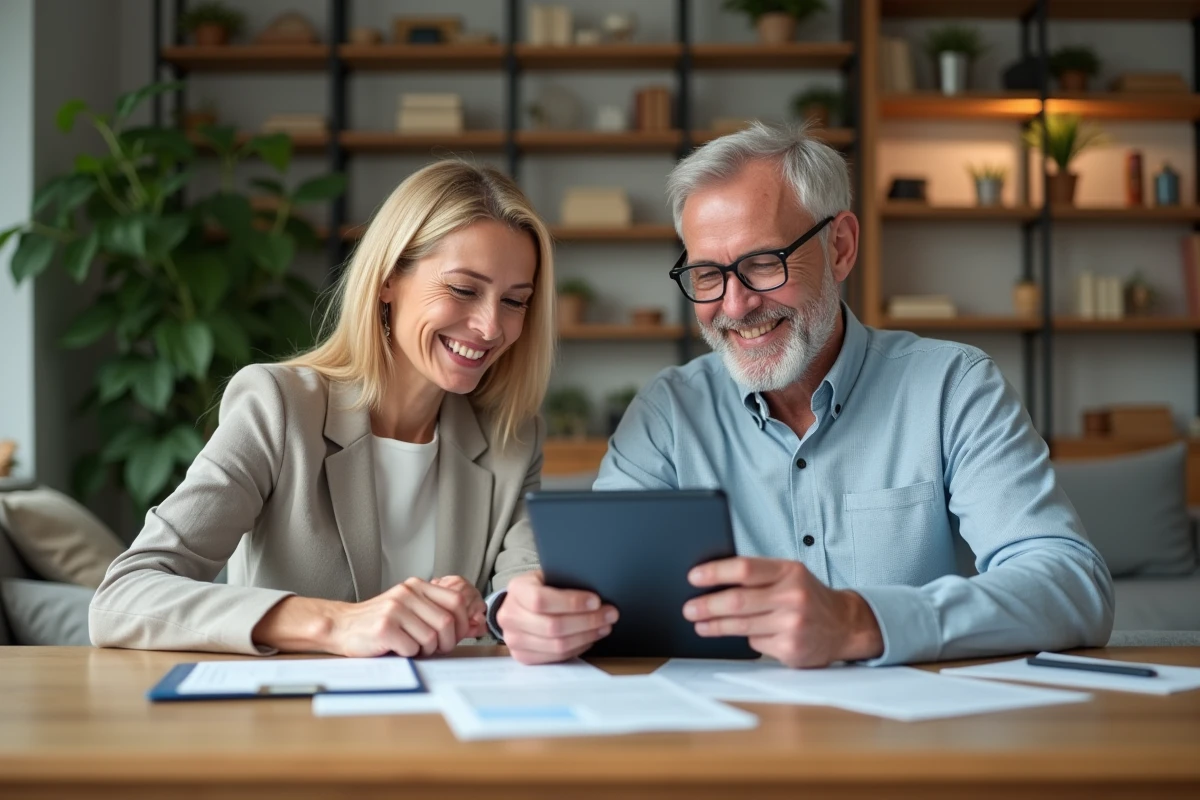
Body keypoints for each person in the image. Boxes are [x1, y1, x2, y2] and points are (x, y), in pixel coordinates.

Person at [496, 122, 1114, 667]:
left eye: (764, 263)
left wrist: (857, 621)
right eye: (708, 275)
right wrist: (530, 613)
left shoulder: (953, 387)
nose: (735, 306)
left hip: (913, 743)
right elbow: (601, 591)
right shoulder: (668, 412)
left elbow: (1071, 584)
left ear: (839, 247)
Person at [90, 159, 555, 657]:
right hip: (295, 726)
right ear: (386, 280)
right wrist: (337, 623)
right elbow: (122, 597)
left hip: (443, 729)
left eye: (515, 301)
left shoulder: (514, 438)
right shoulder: (278, 407)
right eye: (464, 289)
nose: (490, 327)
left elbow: (521, 590)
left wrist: (511, 612)